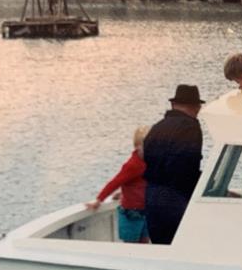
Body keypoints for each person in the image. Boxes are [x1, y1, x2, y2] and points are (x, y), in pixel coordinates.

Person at [143, 84, 204, 245]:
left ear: (173, 104)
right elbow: (186, 169)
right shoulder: (190, 127)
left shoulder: (156, 128)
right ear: (195, 107)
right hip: (175, 200)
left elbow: (146, 162)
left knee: (161, 248)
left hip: (151, 198)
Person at [85, 126, 150, 244]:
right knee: (131, 245)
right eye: (147, 146)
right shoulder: (133, 165)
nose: (152, 149)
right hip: (132, 213)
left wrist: (123, 192)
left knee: (144, 242)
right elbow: (115, 182)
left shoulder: (150, 161)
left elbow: (141, 183)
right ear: (137, 147)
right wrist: (99, 199)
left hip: (145, 212)